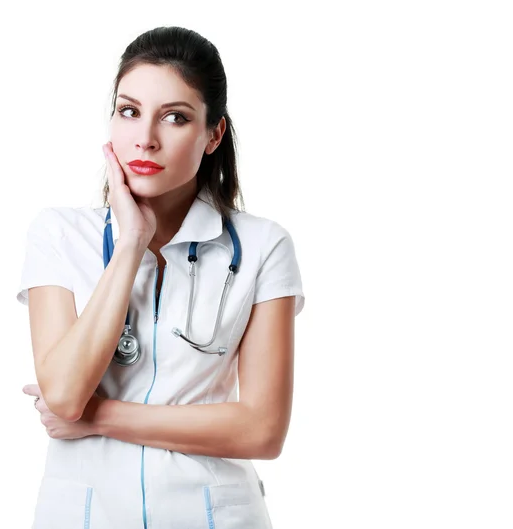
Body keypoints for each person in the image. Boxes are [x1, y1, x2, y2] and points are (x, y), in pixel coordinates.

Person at [17, 26, 305, 529]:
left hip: (212, 517)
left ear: (213, 134)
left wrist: (99, 417)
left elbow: (262, 430)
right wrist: (129, 243)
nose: (145, 137)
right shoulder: (60, 234)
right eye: (129, 111)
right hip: (84, 516)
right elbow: (63, 394)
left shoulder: (262, 247)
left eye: (175, 117)